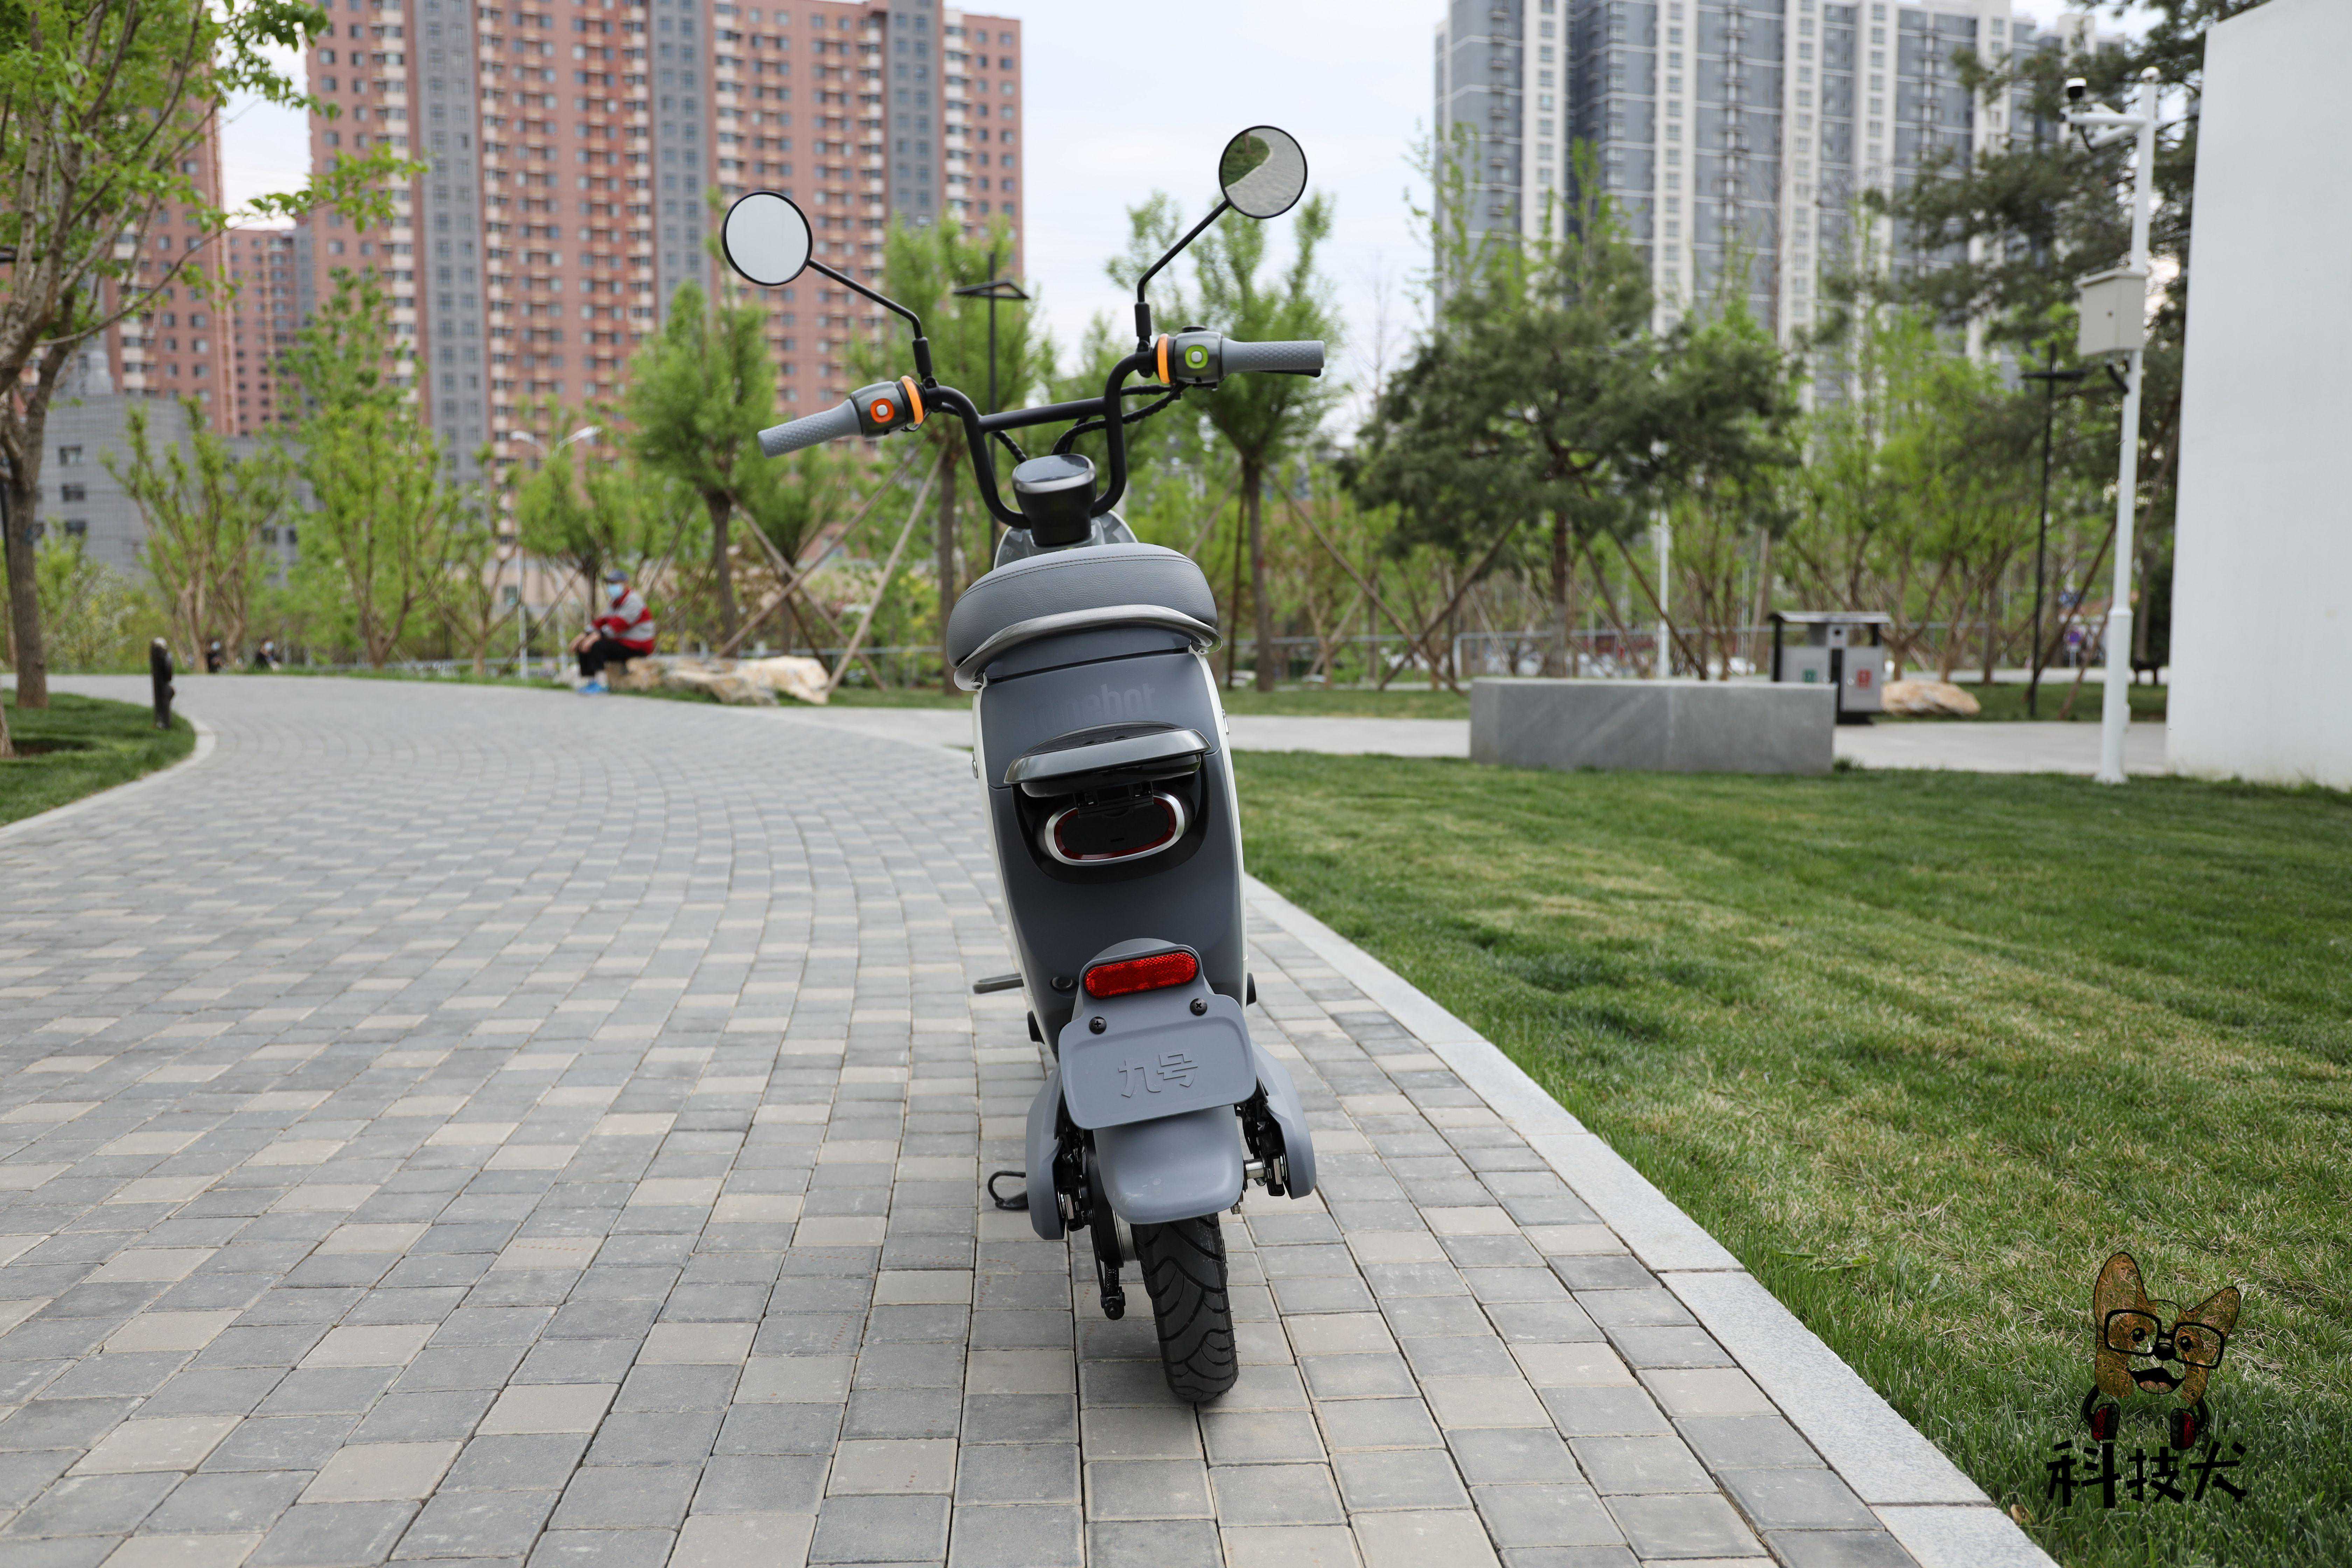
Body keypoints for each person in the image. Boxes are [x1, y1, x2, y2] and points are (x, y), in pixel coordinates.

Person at [573, 570, 656, 692]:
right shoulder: (616, 602)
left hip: (638, 646)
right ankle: (591, 681)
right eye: (610, 583)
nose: (611, 587)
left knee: (596, 645)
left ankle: (602, 684)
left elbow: (617, 626)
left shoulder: (633, 601)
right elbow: (602, 621)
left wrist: (592, 639)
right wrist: (583, 636)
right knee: (584, 645)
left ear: (625, 584)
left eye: (615, 583)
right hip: (623, 643)